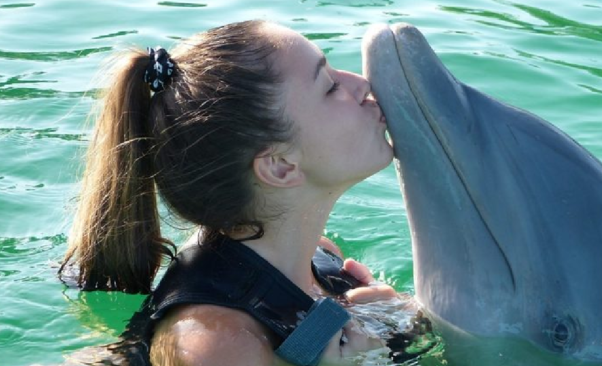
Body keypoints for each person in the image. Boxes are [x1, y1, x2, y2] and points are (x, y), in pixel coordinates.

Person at [60, 19, 400, 366]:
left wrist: (397, 318)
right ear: (280, 166)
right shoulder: (216, 340)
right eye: (329, 87)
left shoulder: (318, 257)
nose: (361, 84)